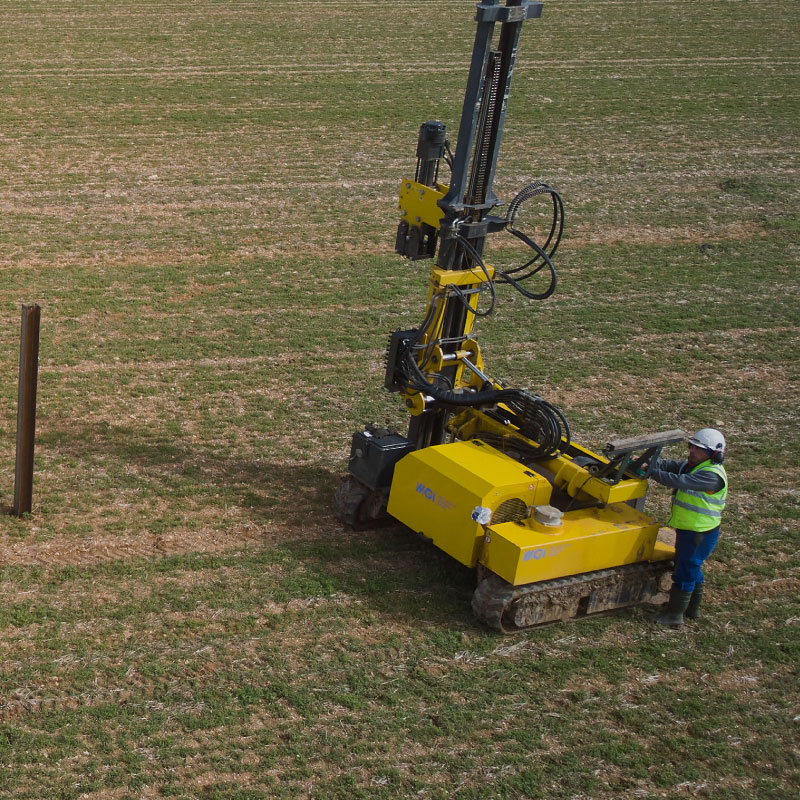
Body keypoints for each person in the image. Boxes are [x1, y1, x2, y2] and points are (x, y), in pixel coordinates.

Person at [646, 428, 728, 628]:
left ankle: (674, 616)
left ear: (713, 455)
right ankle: (692, 609)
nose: (692, 451)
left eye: (698, 449)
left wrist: (651, 472)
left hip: (699, 533)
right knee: (692, 567)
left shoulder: (711, 476)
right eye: (692, 446)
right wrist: (646, 462)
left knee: (685, 571)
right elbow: (672, 466)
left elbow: (678, 480)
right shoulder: (695, 466)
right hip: (691, 529)